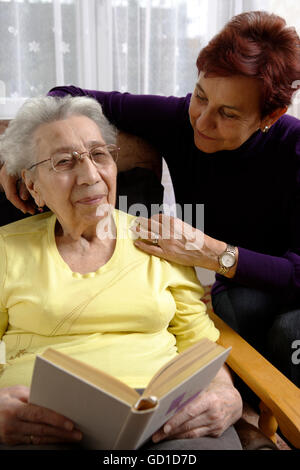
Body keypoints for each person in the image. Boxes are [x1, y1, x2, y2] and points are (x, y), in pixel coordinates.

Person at [39, 10, 299, 389]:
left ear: (270, 116)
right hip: (242, 288)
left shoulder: (293, 147)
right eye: (201, 96)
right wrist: (19, 162)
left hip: (287, 285)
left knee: (289, 329)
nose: (202, 121)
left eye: (227, 113)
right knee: (240, 307)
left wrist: (210, 252)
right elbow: (62, 96)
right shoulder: (181, 118)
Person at [0, 95, 242, 450]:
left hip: (163, 417)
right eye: (64, 162)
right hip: (42, 417)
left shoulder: (162, 241)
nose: (90, 175)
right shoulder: (6, 248)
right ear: (32, 185)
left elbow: (200, 344)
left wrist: (225, 393)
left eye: (99, 155)